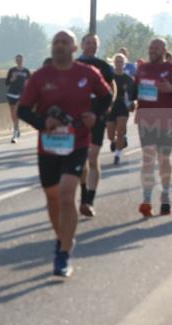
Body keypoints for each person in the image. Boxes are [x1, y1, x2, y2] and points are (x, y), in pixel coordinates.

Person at [18, 30, 111, 278]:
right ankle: (62, 239)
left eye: (64, 42)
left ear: (73, 48)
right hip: (48, 146)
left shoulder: (88, 73)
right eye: (56, 42)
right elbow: (23, 110)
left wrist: (96, 116)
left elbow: (107, 97)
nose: (59, 46)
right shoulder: (40, 77)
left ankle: (64, 253)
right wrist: (42, 121)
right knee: (53, 198)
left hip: (77, 142)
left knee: (67, 194)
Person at [134, 38, 172, 217]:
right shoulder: (142, 68)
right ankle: (146, 199)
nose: (153, 50)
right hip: (145, 118)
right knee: (148, 158)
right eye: (151, 47)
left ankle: (165, 195)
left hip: (166, 118)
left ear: (164, 50)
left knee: (164, 159)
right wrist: (131, 100)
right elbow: (135, 88)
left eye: (157, 48)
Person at [76, 33, 117, 218]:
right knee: (81, 159)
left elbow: (111, 88)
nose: (91, 45)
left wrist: (106, 107)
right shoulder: (74, 65)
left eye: (94, 43)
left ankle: (89, 200)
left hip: (97, 117)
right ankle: (83, 194)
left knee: (92, 157)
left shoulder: (103, 66)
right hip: (78, 118)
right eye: (88, 42)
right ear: (81, 45)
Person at [106, 53, 136, 165]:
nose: (119, 63)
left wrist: (132, 103)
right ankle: (116, 141)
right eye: (117, 61)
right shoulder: (109, 77)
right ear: (113, 63)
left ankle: (117, 154)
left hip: (122, 106)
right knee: (110, 134)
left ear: (124, 63)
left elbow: (133, 94)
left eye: (121, 61)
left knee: (120, 130)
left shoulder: (128, 78)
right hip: (111, 106)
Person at [4, 54, 31, 142]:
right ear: (15, 61)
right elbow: (7, 83)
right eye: (17, 60)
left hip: (21, 95)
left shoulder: (26, 71)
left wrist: (27, 86)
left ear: (23, 61)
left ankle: (15, 131)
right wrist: (13, 78)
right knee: (13, 113)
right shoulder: (12, 70)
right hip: (11, 94)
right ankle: (17, 127)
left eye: (20, 59)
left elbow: (29, 83)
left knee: (16, 111)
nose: (19, 61)